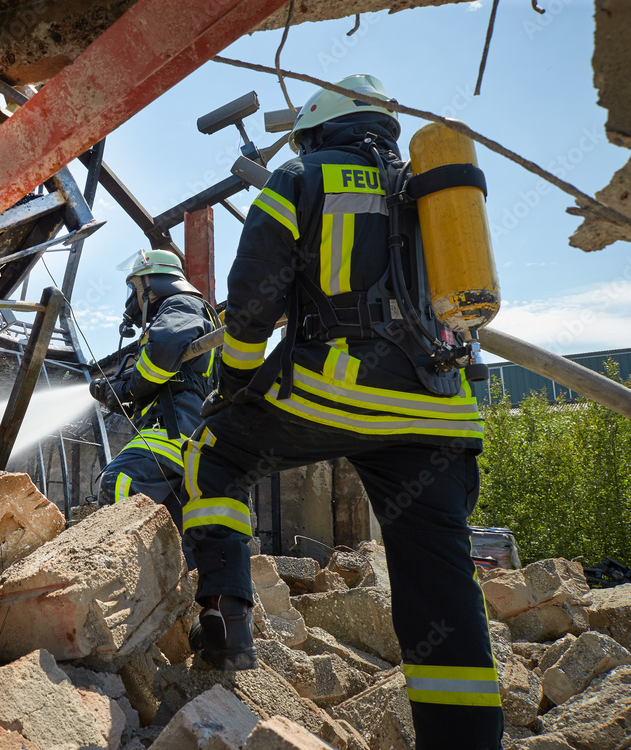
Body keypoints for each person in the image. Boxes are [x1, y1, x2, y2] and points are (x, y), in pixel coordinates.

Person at [182, 75, 505, 750]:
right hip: (441, 416)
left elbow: (250, 310)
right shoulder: (431, 188)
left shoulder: (299, 176)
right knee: (440, 591)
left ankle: (225, 621)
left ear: (315, 128)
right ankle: (467, 741)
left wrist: (235, 386)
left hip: (338, 392)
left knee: (216, 452)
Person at [89, 249, 217, 533]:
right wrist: (121, 390)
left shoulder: (181, 304)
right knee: (172, 524)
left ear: (151, 283)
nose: (131, 297)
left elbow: (162, 352)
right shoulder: (188, 311)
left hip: (174, 432)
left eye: (134, 286)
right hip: (186, 433)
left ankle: (113, 568)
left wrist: (126, 388)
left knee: (118, 481)